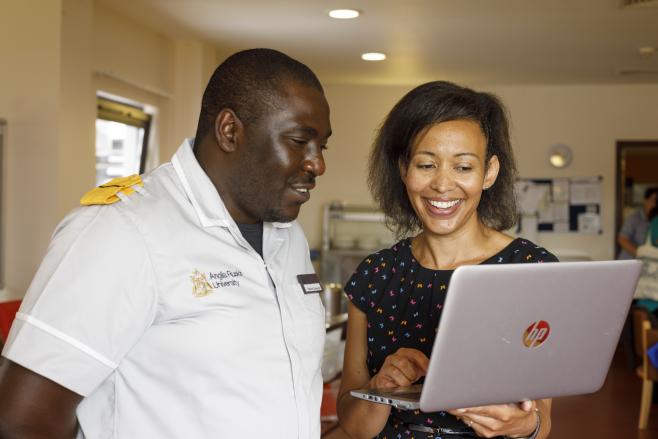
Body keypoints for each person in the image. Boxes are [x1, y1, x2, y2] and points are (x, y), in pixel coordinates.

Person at [0, 48, 332, 439]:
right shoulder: (124, 231)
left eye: (321, 146)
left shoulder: (286, 233)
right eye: (299, 141)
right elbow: (22, 420)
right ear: (230, 131)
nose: (317, 164)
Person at [337, 81, 557, 439]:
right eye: (426, 164)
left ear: (489, 172)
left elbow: (542, 420)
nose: (442, 185)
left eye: (463, 167)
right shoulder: (374, 276)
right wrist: (382, 387)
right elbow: (353, 425)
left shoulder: (533, 270)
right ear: (403, 169)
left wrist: (525, 426)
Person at [617, 187, 658, 260]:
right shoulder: (633, 219)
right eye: (653, 200)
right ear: (645, 200)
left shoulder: (655, 221)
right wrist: (641, 254)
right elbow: (622, 239)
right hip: (630, 262)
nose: (655, 204)